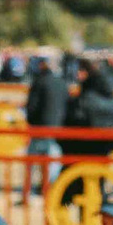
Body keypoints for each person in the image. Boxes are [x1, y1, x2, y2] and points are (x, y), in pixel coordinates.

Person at [23, 53, 70, 189]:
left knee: (31, 162)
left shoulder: (39, 82)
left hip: (39, 129)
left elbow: (32, 106)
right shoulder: (62, 83)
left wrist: (32, 122)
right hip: (57, 129)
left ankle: (29, 190)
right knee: (53, 162)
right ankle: (49, 188)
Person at [62, 62, 113, 160]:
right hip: (104, 150)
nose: (77, 74)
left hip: (80, 153)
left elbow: (70, 123)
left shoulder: (82, 100)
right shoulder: (112, 99)